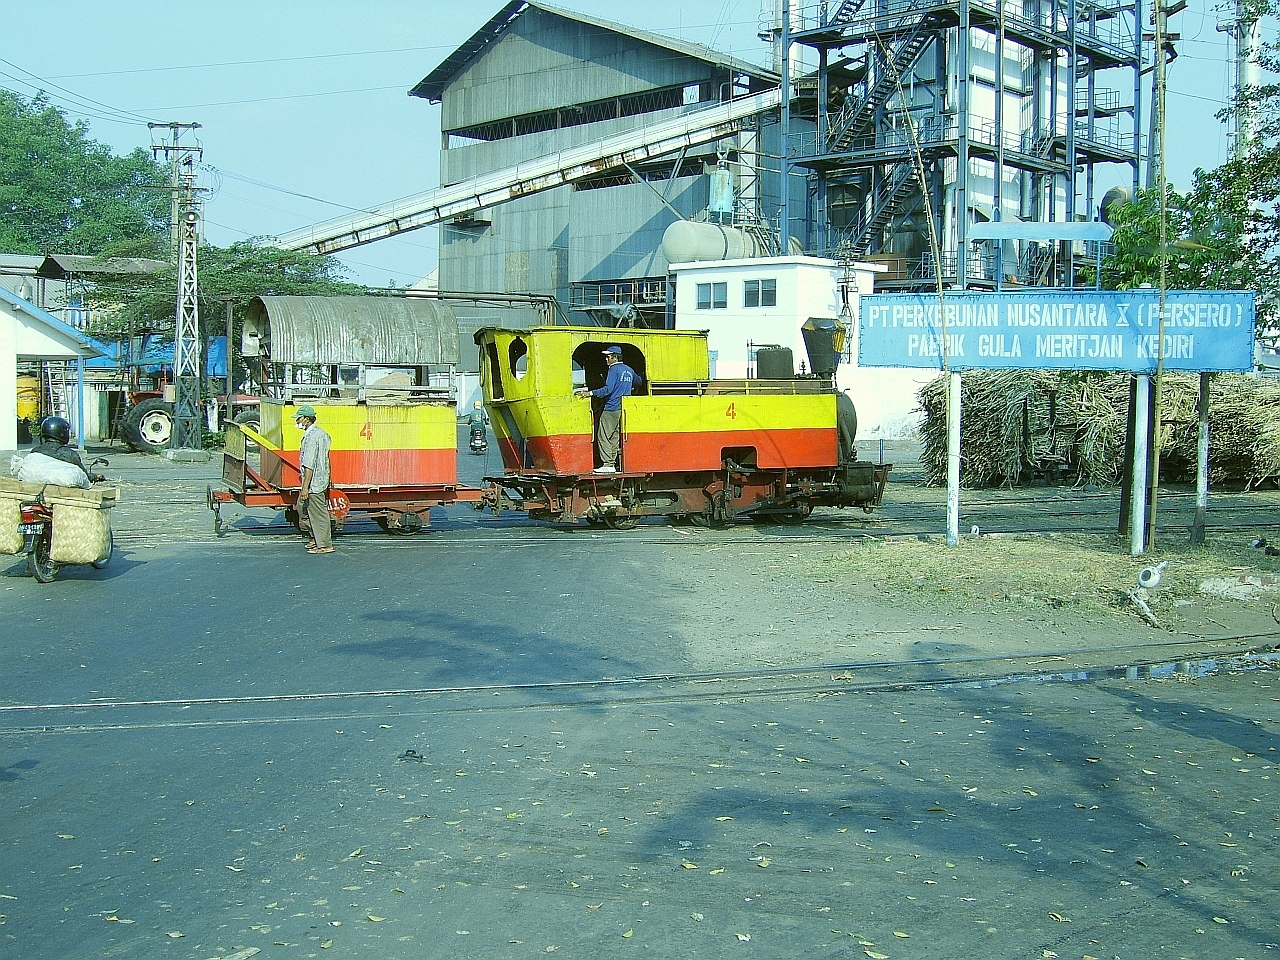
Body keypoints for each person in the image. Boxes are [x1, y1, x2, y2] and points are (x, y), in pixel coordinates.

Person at [575, 345, 637, 473]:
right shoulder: (629, 370)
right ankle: (612, 463)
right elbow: (639, 381)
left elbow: (607, 389)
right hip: (623, 408)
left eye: (608, 357)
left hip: (611, 407)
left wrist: (590, 393)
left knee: (602, 436)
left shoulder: (613, 370)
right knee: (614, 436)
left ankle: (608, 464)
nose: (606, 360)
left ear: (615, 357)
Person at [17, 416, 102, 487]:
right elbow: (85, 476)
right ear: (62, 433)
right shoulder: (70, 454)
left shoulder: (36, 450)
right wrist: (95, 476)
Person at [295, 405, 334, 555]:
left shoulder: (313, 437)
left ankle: (324, 544)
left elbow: (309, 464)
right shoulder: (322, 434)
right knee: (302, 508)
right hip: (320, 479)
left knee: (318, 513)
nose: (297, 421)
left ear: (306, 419)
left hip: (314, 483)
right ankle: (315, 537)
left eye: (299, 418)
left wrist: (305, 488)